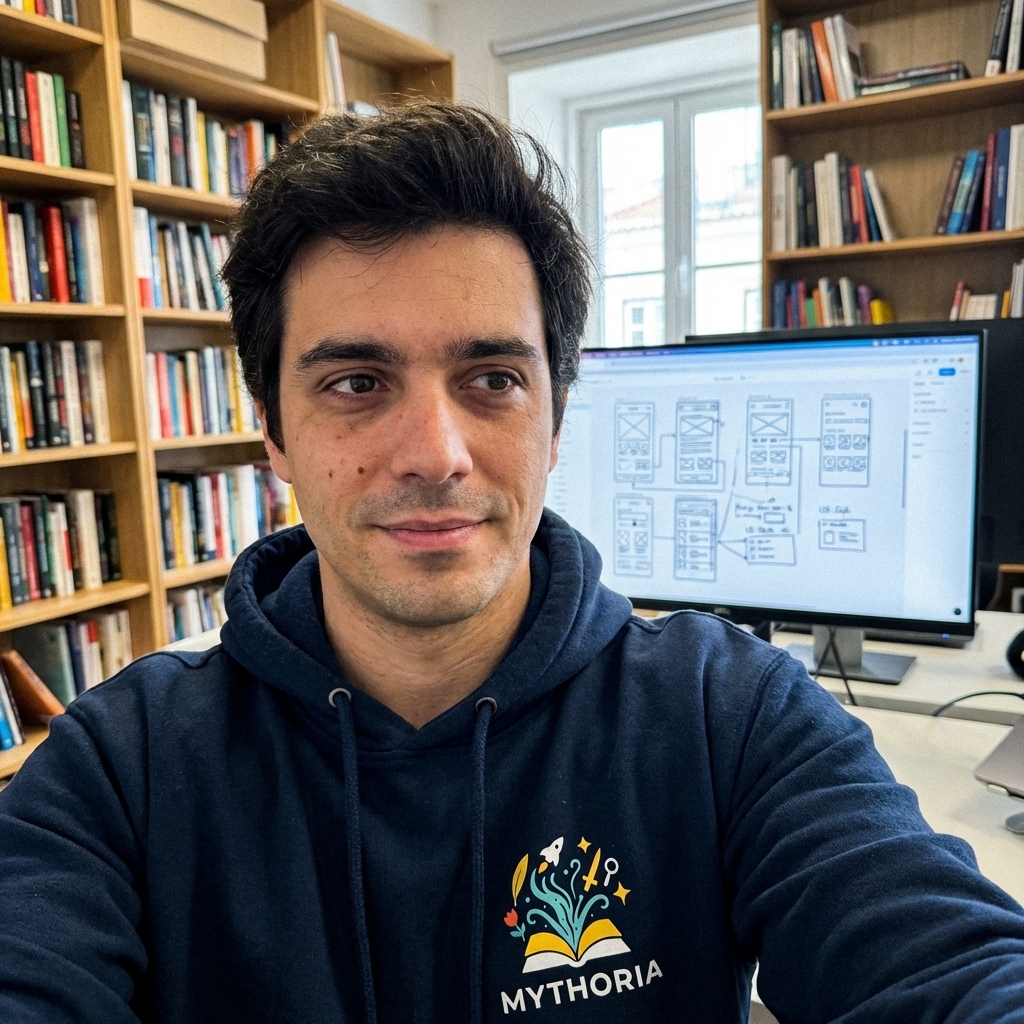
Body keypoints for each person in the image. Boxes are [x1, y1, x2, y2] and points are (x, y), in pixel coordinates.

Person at [1, 104, 1023, 1024]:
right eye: (356, 382)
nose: (435, 454)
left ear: (556, 418)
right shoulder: (124, 765)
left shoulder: (729, 715)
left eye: (491, 377)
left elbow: (946, 964)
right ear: (271, 428)